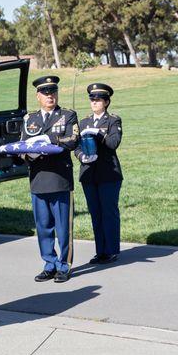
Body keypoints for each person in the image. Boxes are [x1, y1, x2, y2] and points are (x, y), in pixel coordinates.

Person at [21, 75, 79, 283]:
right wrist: (28, 154)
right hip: (38, 179)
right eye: (45, 93)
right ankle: (49, 264)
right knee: (43, 226)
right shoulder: (30, 119)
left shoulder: (67, 115)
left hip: (60, 179)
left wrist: (49, 140)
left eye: (53, 92)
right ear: (38, 96)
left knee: (63, 227)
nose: (50, 96)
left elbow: (72, 140)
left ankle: (64, 265)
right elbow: (22, 146)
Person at [74, 83, 123, 264]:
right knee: (95, 213)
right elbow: (76, 146)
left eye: (98, 100)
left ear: (106, 102)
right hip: (88, 174)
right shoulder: (84, 122)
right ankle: (100, 251)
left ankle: (111, 250)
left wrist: (99, 135)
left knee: (108, 212)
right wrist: (81, 157)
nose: (94, 102)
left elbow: (113, 143)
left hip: (108, 174)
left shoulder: (113, 121)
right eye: (92, 99)